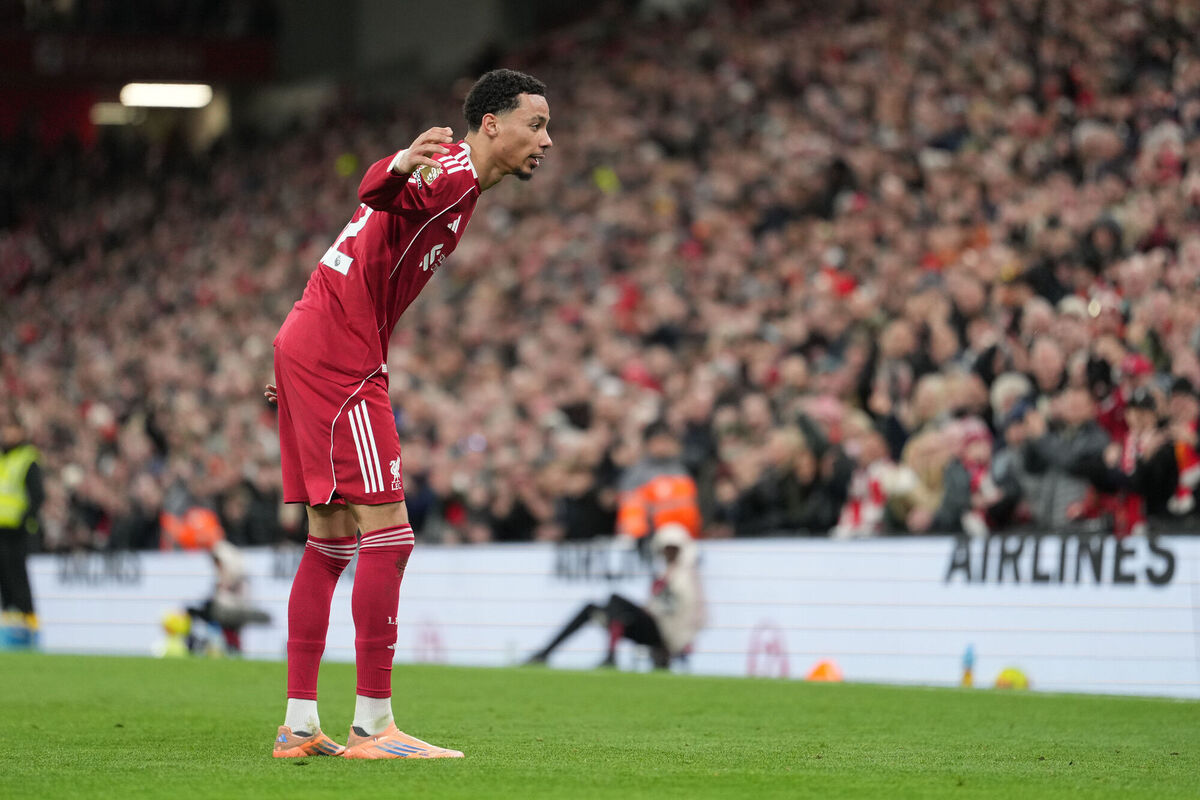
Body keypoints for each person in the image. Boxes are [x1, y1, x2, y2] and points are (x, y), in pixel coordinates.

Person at [266, 69, 553, 760]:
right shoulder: (450, 173)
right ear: (492, 125)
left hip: (316, 341)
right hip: (339, 356)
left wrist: (298, 355)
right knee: (389, 536)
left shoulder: (462, 184)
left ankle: (299, 726)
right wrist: (396, 161)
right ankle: (373, 726)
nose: (547, 140)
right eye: (537, 124)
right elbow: (377, 191)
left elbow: (364, 240)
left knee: (331, 541)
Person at [527, 523, 703, 669]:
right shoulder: (668, 573)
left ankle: (611, 656)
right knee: (592, 609)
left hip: (666, 634)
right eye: (666, 548)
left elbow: (685, 610)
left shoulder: (684, 575)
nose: (668, 553)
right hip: (655, 628)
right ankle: (545, 653)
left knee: (616, 600)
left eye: (672, 549)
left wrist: (680, 642)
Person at [615, 420, 702, 540]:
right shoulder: (636, 475)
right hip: (650, 541)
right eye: (657, 441)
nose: (662, 446)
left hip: (685, 538)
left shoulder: (681, 469)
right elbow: (631, 517)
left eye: (665, 441)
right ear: (647, 444)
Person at [0, 408, 43, 645]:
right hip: (1, 531)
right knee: (5, 582)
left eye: (10, 428)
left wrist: (24, 520)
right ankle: (9, 630)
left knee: (19, 581)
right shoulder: (4, 459)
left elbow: (37, 496)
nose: (5, 433)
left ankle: (31, 630)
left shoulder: (27, 458)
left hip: (18, 532)